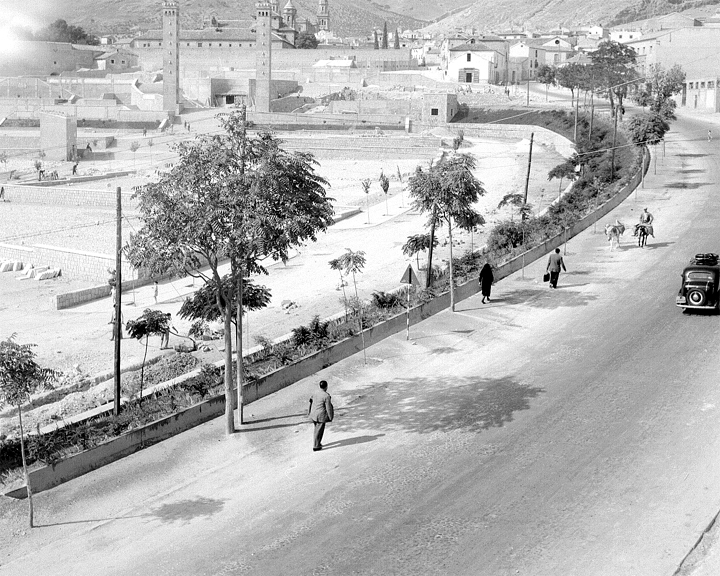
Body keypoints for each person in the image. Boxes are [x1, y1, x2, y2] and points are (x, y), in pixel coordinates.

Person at [308, 380, 334, 452]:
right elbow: (328, 407)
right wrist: (330, 417)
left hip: (313, 414)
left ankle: (318, 443)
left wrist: (309, 412)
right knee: (319, 430)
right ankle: (316, 446)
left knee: (316, 429)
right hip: (321, 415)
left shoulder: (315, 393)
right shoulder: (326, 396)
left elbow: (310, 402)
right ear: (326, 387)